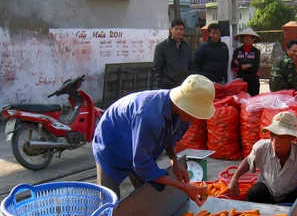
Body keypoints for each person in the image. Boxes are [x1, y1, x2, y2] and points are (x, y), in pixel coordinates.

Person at [92, 75, 215, 205]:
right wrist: (184, 187)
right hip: (111, 145)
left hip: (138, 143)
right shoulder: (148, 117)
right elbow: (142, 165)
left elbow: (170, 138)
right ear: (184, 105)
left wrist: (175, 163)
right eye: (196, 113)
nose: (197, 119)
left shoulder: (181, 115)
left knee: (148, 193)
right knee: (108, 203)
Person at [228, 112, 297, 216]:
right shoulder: (261, 148)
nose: (274, 140)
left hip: (292, 194)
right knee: (254, 192)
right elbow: (249, 160)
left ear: (292, 138)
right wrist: (235, 177)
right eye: (272, 135)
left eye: (281, 137)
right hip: (267, 191)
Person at [153, 19, 193, 89]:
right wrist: (161, 83)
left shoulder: (187, 47)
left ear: (183, 31)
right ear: (171, 30)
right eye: (176, 29)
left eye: (181, 29)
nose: (178, 31)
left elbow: (191, 66)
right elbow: (157, 67)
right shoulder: (161, 47)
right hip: (167, 85)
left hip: (183, 85)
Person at [231, 28, 261, 96]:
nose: (247, 39)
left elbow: (255, 67)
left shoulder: (256, 51)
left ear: (253, 39)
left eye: (249, 37)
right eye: (245, 37)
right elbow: (233, 66)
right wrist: (248, 65)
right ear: (242, 38)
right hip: (240, 81)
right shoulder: (237, 51)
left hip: (253, 81)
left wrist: (240, 65)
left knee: (253, 102)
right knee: (241, 100)